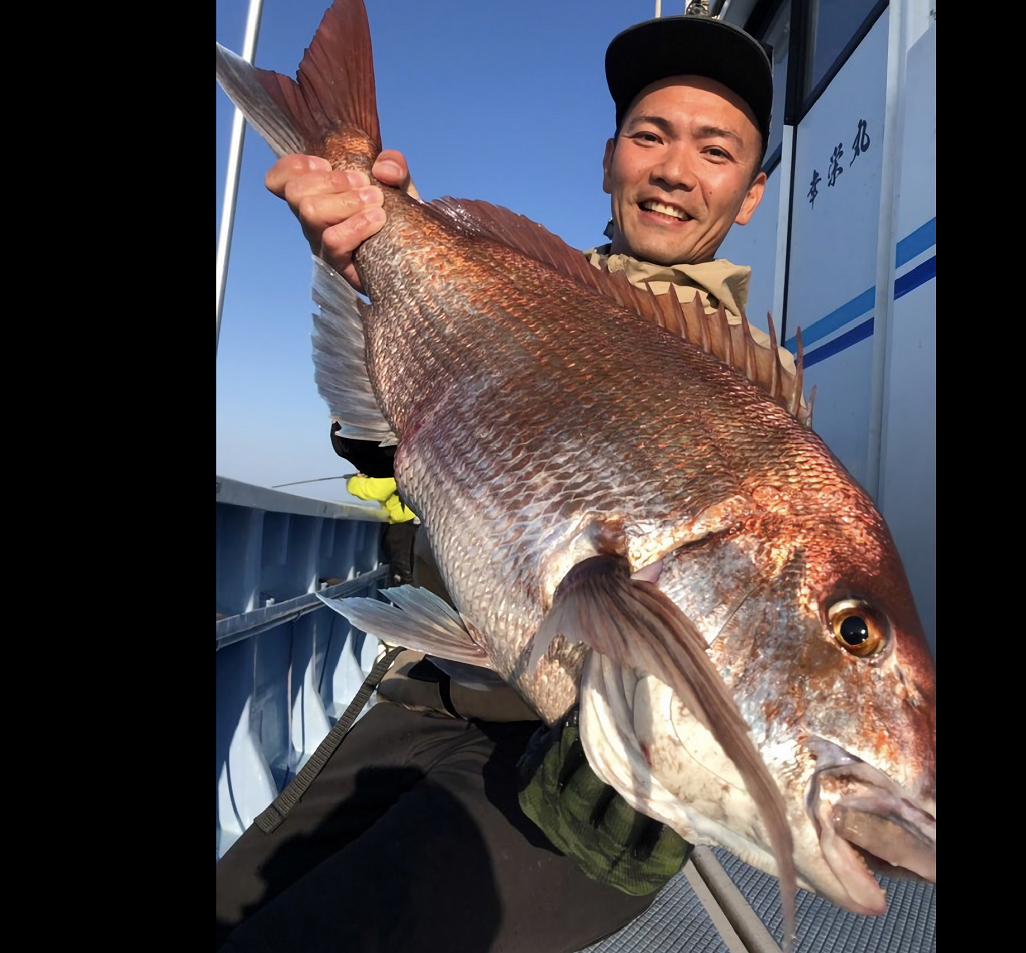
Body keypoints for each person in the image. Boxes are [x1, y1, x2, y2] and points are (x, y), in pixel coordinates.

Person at [216, 12, 801, 953]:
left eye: (715, 148)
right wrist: (364, 256)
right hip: (431, 680)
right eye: (649, 135)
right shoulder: (515, 290)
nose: (674, 169)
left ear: (752, 192)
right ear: (608, 159)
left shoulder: (762, 400)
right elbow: (391, 458)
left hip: (558, 768)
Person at [329, 422, 419, 585]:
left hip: (407, 529)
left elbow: (377, 490)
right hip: (416, 527)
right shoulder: (411, 456)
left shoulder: (397, 464)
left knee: (406, 579)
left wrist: (354, 482)